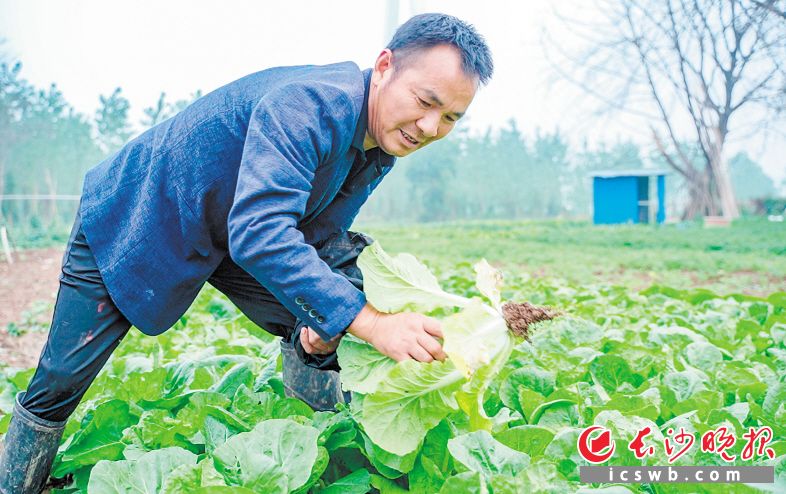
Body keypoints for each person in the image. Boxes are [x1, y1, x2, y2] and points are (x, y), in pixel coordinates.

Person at [0, 12, 493, 494]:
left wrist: (322, 322)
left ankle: (318, 450)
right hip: (144, 213)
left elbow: (319, 233)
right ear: (385, 66)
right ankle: (16, 482)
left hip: (230, 232)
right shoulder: (310, 106)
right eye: (425, 101)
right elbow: (261, 230)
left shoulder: (382, 144)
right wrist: (370, 322)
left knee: (338, 298)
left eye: (450, 117)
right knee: (60, 380)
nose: (429, 127)